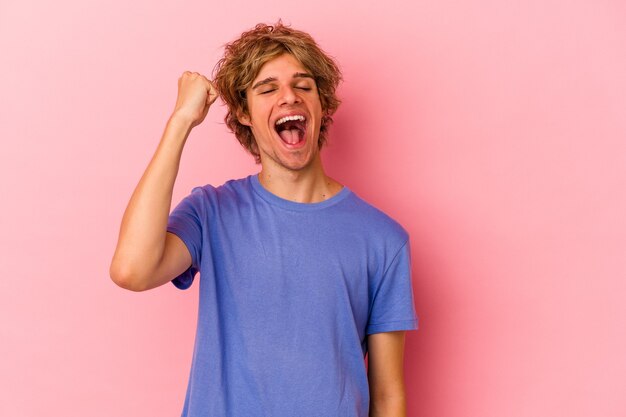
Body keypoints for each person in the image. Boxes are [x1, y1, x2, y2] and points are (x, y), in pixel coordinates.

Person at [110, 21, 418, 417]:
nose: (289, 97)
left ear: (322, 104)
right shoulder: (211, 212)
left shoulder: (384, 240)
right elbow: (132, 270)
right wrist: (181, 122)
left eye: (303, 86)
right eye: (267, 88)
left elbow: (389, 396)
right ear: (243, 113)